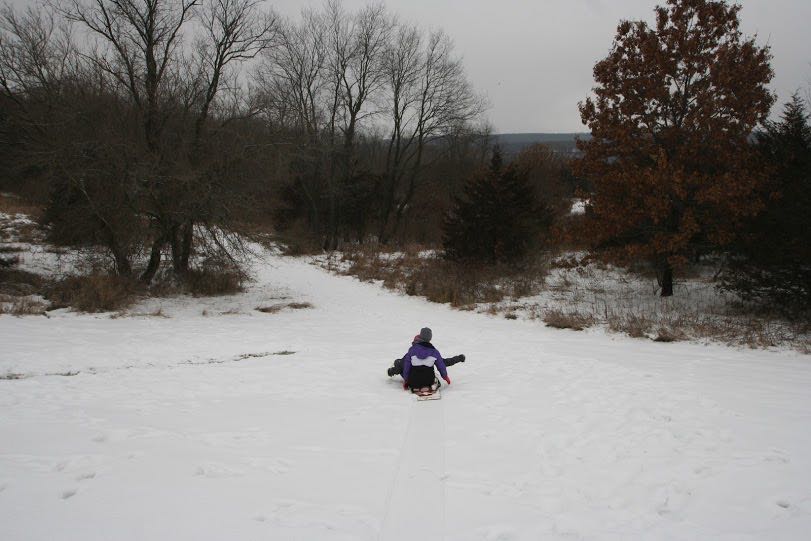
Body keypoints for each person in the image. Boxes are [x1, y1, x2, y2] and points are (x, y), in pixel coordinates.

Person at [387, 327, 464, 392]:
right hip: (429, 382)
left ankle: (394, 367)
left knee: (400, 363)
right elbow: (443, 364)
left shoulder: (412, 351)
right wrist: (445, 377)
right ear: (430, 338)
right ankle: (396, 365)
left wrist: (405, 381)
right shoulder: (434, 352)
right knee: (402, 363)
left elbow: (406, 367)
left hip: (414, 382)